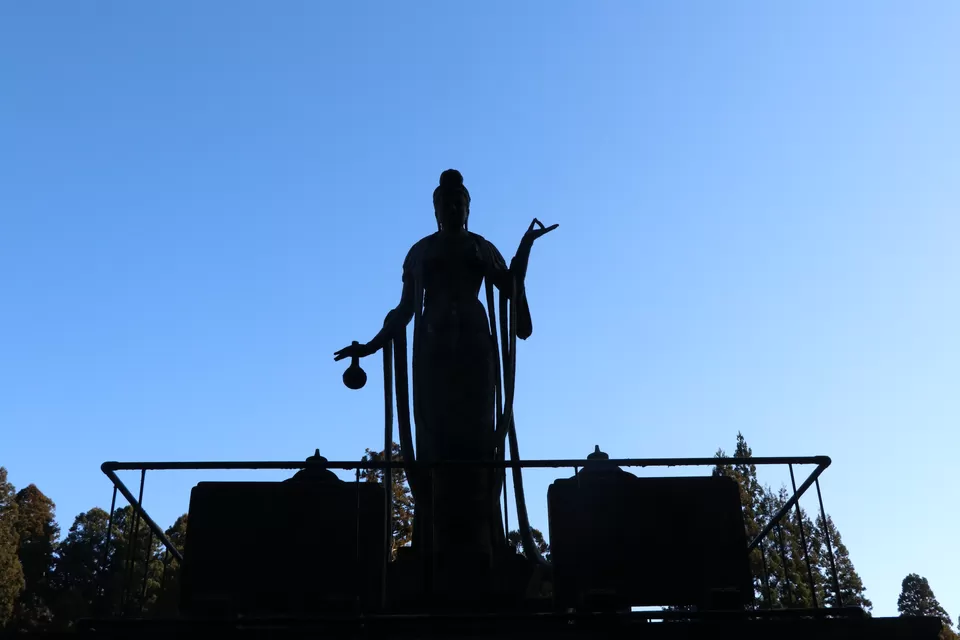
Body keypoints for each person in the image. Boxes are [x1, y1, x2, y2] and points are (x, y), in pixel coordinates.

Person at [334, 169, 556, 596]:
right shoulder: (420, 253)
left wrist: (523, 253)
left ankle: (487, 538)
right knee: (435, 442)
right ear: (436, 209)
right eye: (446, 203)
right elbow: (402, 311)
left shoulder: (480, 248)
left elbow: (511, 294)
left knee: (479, 441)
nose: (453, 209)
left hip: (475, 351)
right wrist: (370, 346)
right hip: (433, 354)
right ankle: (431, 540)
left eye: (460, 203)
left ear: (468, 208)